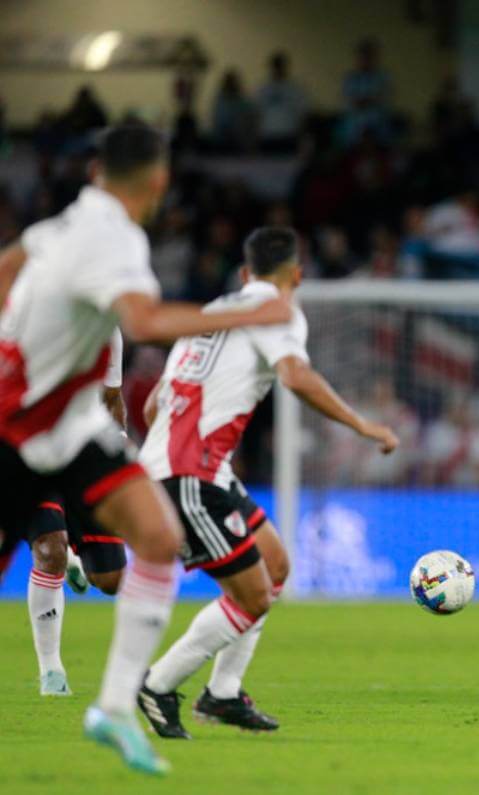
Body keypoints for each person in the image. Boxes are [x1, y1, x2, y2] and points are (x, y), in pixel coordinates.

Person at [0, 122, 292, 775]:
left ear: (98, 169)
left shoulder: (64, 223)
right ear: (158, 180)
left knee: (157, 537)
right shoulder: (117, 238)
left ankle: (113, 707)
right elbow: (145, 322)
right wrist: (246, 314)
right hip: (13, 424)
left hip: (71, 425)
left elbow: (11, 264)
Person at [136, 227, 399, 739]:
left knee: (275, 563)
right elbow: (296, 376)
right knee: (252, 595)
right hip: (190, 471)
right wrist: (363, 425)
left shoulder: (211, 314)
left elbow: (152, 406)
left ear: (243, 274)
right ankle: (158, 685)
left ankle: (224, 695)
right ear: (296, 276)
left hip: (196, 466)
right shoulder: (277, 310)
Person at [25, 330, 128, 698]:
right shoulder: (26, 320)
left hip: (84, 458)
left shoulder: (107, 331)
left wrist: (118, 453)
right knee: (49, 549)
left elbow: (112, 399)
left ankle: (73, 558)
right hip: (30, 456)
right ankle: (51, 671)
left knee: (110, 579)